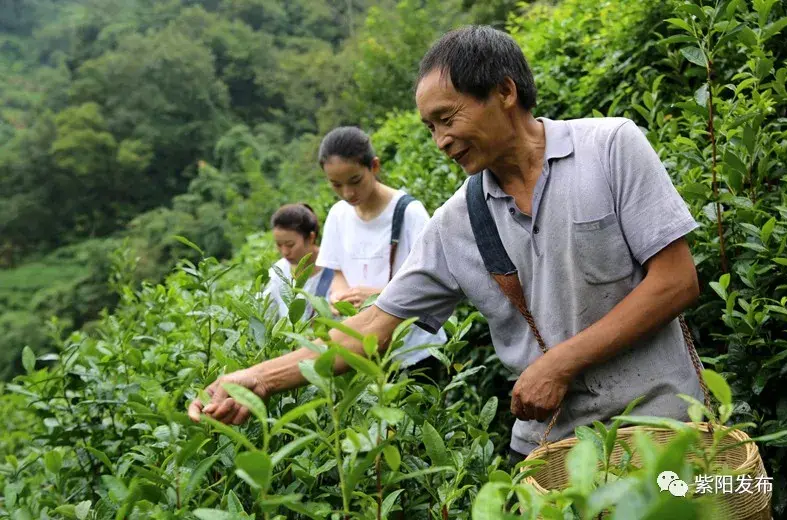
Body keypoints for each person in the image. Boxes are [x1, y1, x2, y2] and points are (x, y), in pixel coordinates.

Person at [188, 25, 705, 468]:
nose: (440, 141)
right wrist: (258, 378)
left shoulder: (611, 148)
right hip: (553, 451)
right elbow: (370, 329)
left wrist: (558, 364)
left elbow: (676, 282)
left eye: (448, 118)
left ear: (504, 92)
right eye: (429, 127)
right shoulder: (457, 222)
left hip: (663, 426)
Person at [314, 126, 447, 367]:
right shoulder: (337, 214)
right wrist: (340, 296)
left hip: (413, 351)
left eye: (355, 180)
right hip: (363, 348)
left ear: (374, 166)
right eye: (336, 184)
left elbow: (434, 282)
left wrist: (380, 296)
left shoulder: (409, 212)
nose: (347, 192)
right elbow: (336, 272)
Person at [261, 203, 332, 321]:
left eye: (290, 245)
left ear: (311, 237)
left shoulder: (335, 270)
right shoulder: (276, 273)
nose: (284, 252)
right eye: (279, 245)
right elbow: (265, 317)